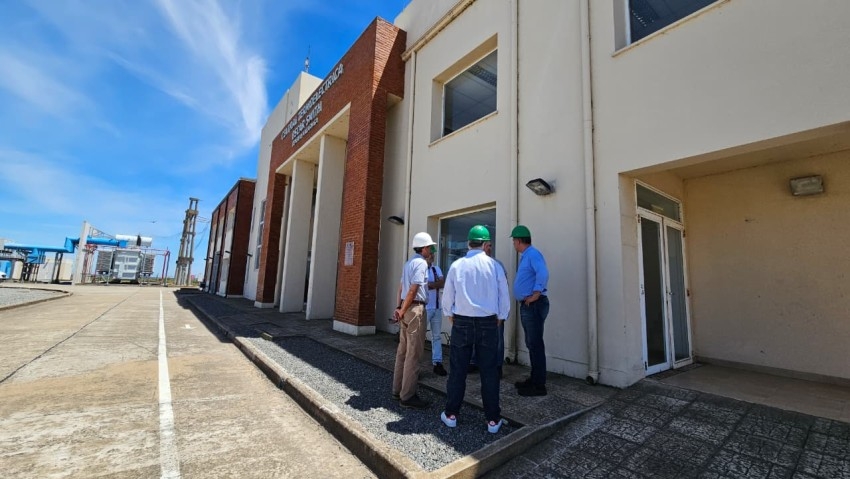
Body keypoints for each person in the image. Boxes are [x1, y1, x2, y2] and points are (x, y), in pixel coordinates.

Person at [440, 225, 510, 433]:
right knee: (489, 371)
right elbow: (503, 297)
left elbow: (447, 297)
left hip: (461, 321)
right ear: (486, 244)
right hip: (488, 322)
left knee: (458, 370)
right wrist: (500, 318)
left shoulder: (457, 265)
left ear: (469, 243)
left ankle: (451, 414)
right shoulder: (495, 266)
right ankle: (492, 420)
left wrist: (451, 315)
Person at [391, 232, 436, 409]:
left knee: (402, 351)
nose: (431, 250)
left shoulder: (408, 263)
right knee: (414, 353)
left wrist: (398, 308)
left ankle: (397, 389)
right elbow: (413, 289)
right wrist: (403, 309)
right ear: (424, 248)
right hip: (415, 308)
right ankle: (408, 396)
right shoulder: (421, 264)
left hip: (405, 309)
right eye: (430, 247)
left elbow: (401, 287)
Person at [510, 225, 550, 397]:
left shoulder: (532, 254)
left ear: (518, 241)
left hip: (533, 306)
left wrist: (535, 294)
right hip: (529, 306)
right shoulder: (527, 256)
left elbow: (543, 272)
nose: (513, 244)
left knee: (535, 344)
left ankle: (539, 385)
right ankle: (534, 380)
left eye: (514, 241)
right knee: (532, 344)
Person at [425, 255, 447, 376]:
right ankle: (414, 363)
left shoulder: (436, 269)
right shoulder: (422, 269)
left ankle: (437, 362)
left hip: (437, 307)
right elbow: (424, 285)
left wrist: (432, 284)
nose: (431, 256)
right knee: (419, 337)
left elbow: (442, 283)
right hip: (426, 308)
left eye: (433, 254)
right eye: (429, 254)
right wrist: (435, 284)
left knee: (437, 336)